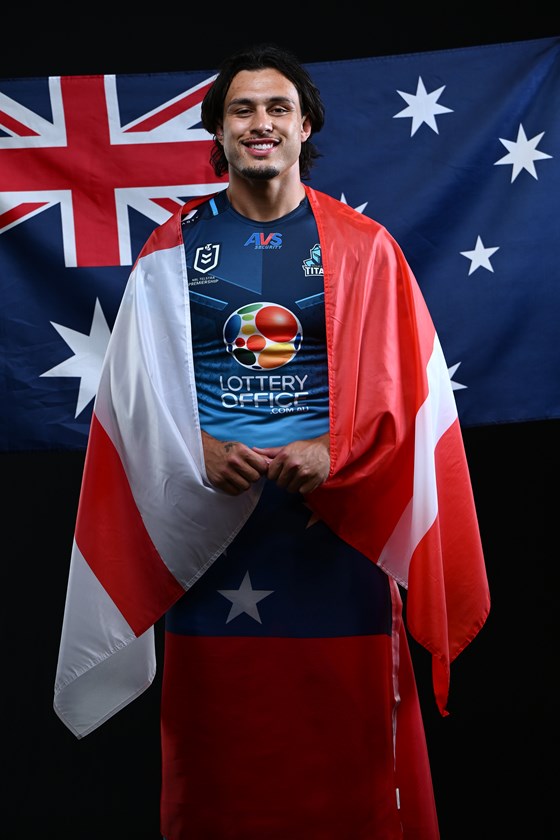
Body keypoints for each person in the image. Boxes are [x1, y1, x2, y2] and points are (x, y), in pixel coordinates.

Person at [54, 43, 490, 839]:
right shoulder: (171, 253)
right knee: (220, 764)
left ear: (305, 126)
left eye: (277, 108)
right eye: (243, 110)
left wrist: (336, 452)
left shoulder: (364, 248)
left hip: (337, 542)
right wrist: (199, 447)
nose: (261, 123)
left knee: (349, 759)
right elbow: (133, 405)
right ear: (218, 133)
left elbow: (410, 396)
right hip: (210, 544)